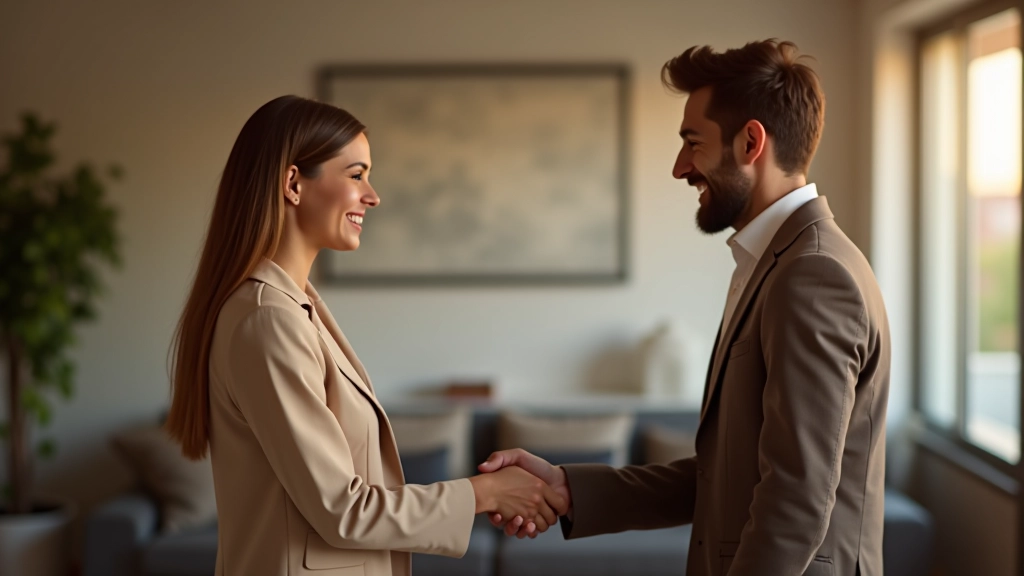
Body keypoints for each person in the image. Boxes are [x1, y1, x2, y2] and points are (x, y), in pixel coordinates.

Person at [481, 40, 891, 576]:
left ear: (750, 142)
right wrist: (569, 487)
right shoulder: (778, 262)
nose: (680, 168)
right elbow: (728, 475)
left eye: (692, 143)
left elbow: (797, 494)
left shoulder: (813, 274)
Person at [165, 95, 566, 576]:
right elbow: (342, 509)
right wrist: (485, 493)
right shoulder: (267, 320)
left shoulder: (293, 308)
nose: (372, 196)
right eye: (356, 175)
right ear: (293, 183)